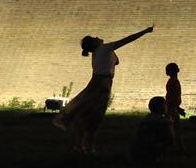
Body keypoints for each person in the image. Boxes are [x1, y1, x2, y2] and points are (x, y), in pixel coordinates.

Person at [54, 25, 154, 153]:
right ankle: (88, 147)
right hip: (102, 85)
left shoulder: (98, 52)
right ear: (94, 43)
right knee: (95, 116)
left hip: (97, 82)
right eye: (94, 38)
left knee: (85, 113)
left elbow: (115, 61)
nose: (97, 37)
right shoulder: (104, 49)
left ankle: (80, 145)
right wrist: (145, 31)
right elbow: (128, 40)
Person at [131, 96, 173, 165]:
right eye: (165, 104)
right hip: (149, 151)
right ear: (160, 107)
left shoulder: (145, 118)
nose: (167, 106)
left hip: (136, 151)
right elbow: (171, 137)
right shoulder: (164, 121)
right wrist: (170, 121)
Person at [164, 62, 186, 153]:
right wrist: (178, 108)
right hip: (172, 108)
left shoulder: (172, 81)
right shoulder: (174, 82)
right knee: (174, 129)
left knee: (173, 128)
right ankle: (179, 148)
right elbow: (173, 96)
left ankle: (177, 148)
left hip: (171, 107)